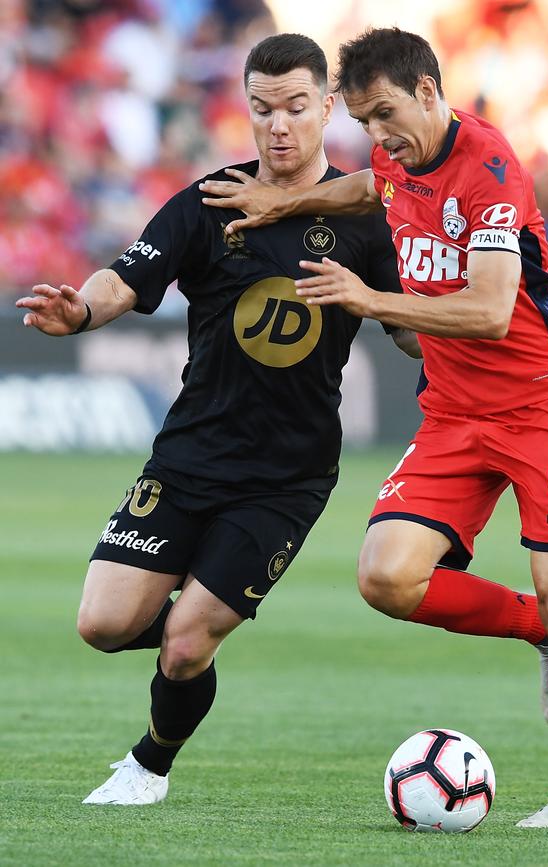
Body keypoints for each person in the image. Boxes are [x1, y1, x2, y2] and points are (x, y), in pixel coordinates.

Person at [199, 27, 548, 829]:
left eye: (385, 114)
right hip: (454, 413)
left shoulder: (490, 170)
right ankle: (534, 630)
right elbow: (368, 188)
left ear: (430, 91)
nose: (377, 136)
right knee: (386, 577)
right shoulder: (397, 152)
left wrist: (366, 297)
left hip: (538, 409)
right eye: (363, 121)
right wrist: (286, 197)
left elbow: (492, 312)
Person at [15, 33, 420, 806]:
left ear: (326, 108)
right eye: (263, 109)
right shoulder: (209, 203)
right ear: (247, 107)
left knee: (186, 638)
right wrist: (83, 308)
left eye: (297, 108)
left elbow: (406, 325)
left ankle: (149, 764)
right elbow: (128, 276)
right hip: (189, 459)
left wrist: (429, 329)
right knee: (101, 624)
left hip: (286, 477)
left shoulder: (366, 220)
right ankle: (198, 612)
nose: (279, 126)